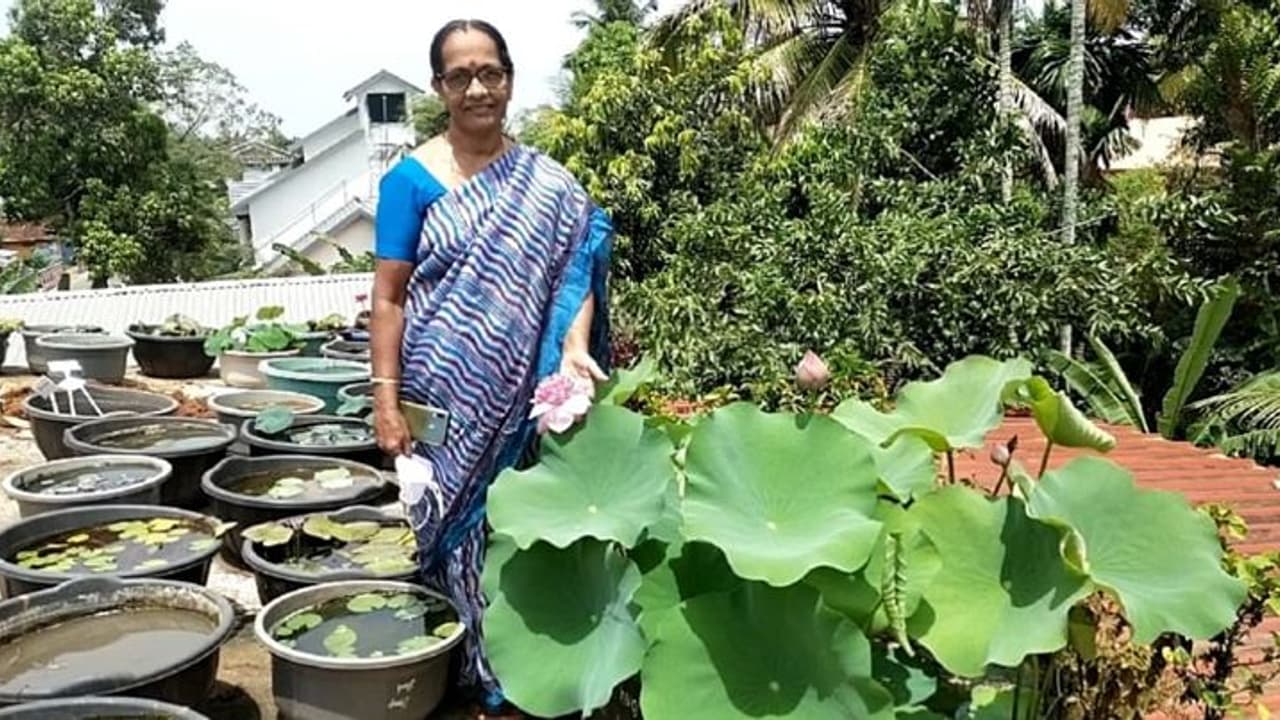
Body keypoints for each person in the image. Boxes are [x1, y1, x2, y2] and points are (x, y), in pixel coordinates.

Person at [368, 18, 612, 715]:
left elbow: (576, 277)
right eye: (460, 76)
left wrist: (573, 349)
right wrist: (385, 399)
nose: (478, 88)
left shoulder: (551, 185)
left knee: (516, 528)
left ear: (509, 78)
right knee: (446, 533)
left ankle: (520, 673)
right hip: (440, 395)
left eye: (491, 73)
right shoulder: (410, 181)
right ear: (439, 88)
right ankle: (462, 675)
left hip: (526, 397)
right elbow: (387, 298)